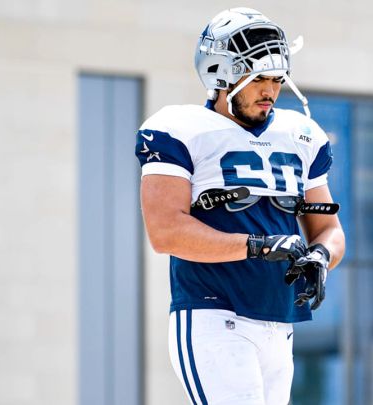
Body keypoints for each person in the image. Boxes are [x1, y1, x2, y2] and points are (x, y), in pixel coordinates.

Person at [136, 7, 345, 405]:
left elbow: (329, 230)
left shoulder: (301, 135)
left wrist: (321, 256)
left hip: (280, 321)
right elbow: (165, 232)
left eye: (277, 79)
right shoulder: (180, 129)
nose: (270, 91)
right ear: (221, 75)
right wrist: (257, 245)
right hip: (215, 313)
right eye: (258, 78)